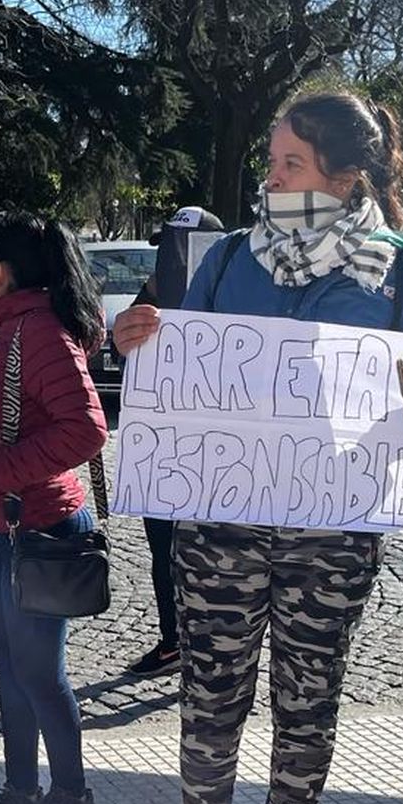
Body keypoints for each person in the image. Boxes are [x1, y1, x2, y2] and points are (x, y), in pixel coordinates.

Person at [113, 91, 403, 804]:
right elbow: (180, 366)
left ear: (344, 174)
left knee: (308, 698)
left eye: (289, 163)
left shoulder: (400, 273)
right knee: (210, 692)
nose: (271, 175)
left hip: (332, 536)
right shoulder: (227, 259)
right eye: (271, 160)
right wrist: (135, 340)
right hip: (221, 526)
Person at [0, 213, 109, 804]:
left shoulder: (39, 331)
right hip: (0, 532)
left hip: (38, 532)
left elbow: (87, 428)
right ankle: (22, 790)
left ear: (1, 270)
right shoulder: (14, 328)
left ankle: (74, 798)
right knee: (11, 670)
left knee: (40, 674)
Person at [122, 206, 226, 679]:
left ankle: (207, 644)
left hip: (214, 455)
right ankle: (174, 641)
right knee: (164, 555)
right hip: (160, 453)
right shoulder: (150, 298)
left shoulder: (231, 297)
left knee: (211, 559)